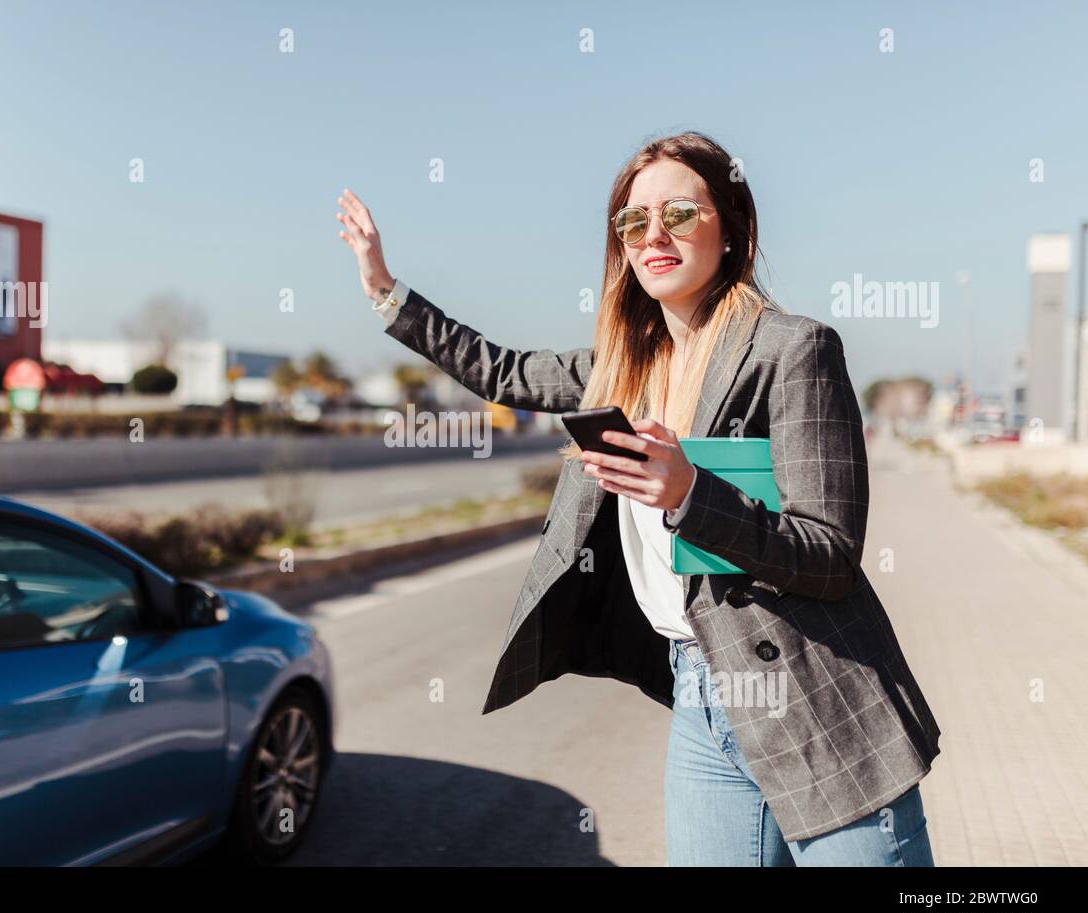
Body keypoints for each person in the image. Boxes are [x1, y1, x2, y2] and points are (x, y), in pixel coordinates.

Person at [336, 131, 940, 866]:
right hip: (701, 703)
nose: (653, 234)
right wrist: (383, 288)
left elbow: (831, 556)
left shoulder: (794, 350)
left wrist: (691, 492)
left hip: (815, 701)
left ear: (734, 229)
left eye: (680, 213)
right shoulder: (622, 369)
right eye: (633, 220)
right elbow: (502, 372)